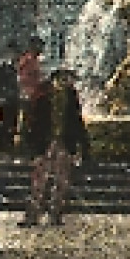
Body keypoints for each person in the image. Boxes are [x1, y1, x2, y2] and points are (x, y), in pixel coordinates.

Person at [21, 67, 88, 227]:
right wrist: (31, 145)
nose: (66, 82)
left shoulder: (71, 98)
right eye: (63, 79)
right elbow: (32, 122)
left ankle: (55, 213)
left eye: (68, 79)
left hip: (63, 142)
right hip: (45, 142)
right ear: (55, 79)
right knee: (39, 181)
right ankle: (33, 214)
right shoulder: (42, 97)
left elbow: (77, 121)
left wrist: (82, 144)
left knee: (62, 180)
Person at [15, 37, 47, 152]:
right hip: (28, 94)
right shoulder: (27, 60)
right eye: (39, 47)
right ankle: (24, 144)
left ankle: (29, 143)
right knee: (27, 120)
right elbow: (24, 78)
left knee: (32, 119)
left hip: (35, 94)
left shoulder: (35, 60)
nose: (41, 50)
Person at [0, 47, 21, 152]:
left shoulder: (14, 67)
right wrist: (1, 96)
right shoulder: (4, 67)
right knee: (5, 121)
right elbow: (0, 83)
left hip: (13, 98)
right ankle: (2, 143)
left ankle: (8, 143)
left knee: (12, 121)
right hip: (7, 98)